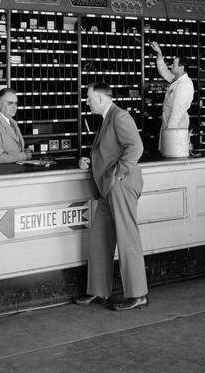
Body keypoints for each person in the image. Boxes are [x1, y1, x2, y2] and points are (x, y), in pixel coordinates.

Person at [74, 82, 148, 311]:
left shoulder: (119, 116)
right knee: (99, 238)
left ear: (100, 98)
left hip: (119, 185)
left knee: (127, 239)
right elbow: (109, 151)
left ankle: (138, 295)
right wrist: (89, 161)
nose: (86, 101)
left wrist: (119, 173)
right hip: (107, 188)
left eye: (88, 97)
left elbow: (136, 147)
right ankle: (98, 291)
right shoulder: (107, 118)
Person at [149, 41, 195, 152]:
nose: (171, 65)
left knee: (173, 156)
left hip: (175, 129)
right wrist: (159, 53)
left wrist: (169, 133)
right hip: (170, 126)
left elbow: (177, 112)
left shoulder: (184, 85)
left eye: (174, 64)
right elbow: (164, 71)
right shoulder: (177, 80)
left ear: (181, 67)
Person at [0, 87, 32, 164]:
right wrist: (25, 156)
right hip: (4, 173)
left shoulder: (12, 122)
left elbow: (16, 148)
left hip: (16, 172)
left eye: (16, 103)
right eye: (10, 103)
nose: (14, 107)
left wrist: (25, 151)